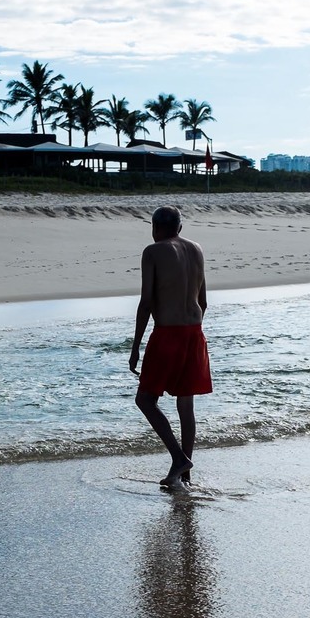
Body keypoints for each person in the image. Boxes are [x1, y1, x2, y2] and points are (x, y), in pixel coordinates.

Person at [128, 206, 212, 489]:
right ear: (180, 227)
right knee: (185, 405)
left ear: (155, 227)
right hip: (194, 333)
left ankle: (179, 459)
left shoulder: (153, 252)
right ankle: (184, 476)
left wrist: (136, 346)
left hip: (169, 335)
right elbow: (203, 302)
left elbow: (146, 303)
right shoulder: (196, 249)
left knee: (145, 400)